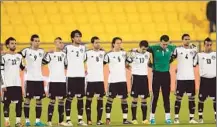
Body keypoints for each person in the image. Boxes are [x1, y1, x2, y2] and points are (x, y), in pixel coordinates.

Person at [19, 34, 47, 126]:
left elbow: (46, 60)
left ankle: (37, 121)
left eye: (38, 41)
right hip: (29, 79)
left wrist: (41, 65)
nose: (37, 42)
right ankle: (27, 121)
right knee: (27, 100)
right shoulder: (26, 50)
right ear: (31, 41)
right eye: (35, 41)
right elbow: (17, 56)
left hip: (39, 79)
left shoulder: (42, 51)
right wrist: (23, 67)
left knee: (39, 100)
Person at [148, 35, 176, 124]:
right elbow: (143, 49)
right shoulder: (153, 48)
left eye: (166, 44)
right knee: (155, 96)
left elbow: (179, 50)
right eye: (163, 44)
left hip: (166, 74)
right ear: (160, 42)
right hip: (156, 74)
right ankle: (152, 117)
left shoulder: (171, 47)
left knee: (166, 96)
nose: (165, 46)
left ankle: (167, 117)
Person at [104, 37, 132, 125]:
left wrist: (130, 67)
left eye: (120, 43)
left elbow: (127, 64)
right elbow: (101, 64)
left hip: (122, 81)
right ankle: (108, 118)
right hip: (113, 81)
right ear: (113, 44)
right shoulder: (108, 54)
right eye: (117, 43)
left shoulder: (124, 53)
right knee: (110, 99)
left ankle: (125, 120)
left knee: (124, 100)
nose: (119, 45)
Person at [172, 34, 198, 124]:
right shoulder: (177, 49)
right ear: (182, 40)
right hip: (181, 78)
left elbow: (195, 63)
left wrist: (196, 51)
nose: (187, 41)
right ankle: (176, 118)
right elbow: (170, 59)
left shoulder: (193, 50)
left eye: (188, 39)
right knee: (179, 98)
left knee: (192, 98)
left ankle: (191, 118)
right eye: (185, 39)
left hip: (191, 77)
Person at [42, 37, 68, 126]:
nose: (62, 44)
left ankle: (61, 121)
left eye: (62, 42)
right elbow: (42, 63)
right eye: (59, 42)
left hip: (62, 81)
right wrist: (46, 53)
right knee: (52, 101)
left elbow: (66, 66)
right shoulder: (50, 54)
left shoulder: (64, 55)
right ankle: (49, 121)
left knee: (61, 101)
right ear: (55, 43)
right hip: (53, 81)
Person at [63, 30, 87, 126]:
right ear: (72, 38)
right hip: (71, 76)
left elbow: (85, 59)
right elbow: (63, 59)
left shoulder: (83, 48)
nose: (79, 38)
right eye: (77, 36)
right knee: (69, 98)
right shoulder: (67, 48)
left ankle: (80, 120)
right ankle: (68, 120)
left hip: (81, 76)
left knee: (80, 98)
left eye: (80, 36)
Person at [1, 37, 25, 127]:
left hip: (17, 84)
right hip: (8, 84)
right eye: (12, 43)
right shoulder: (4, 57)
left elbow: (23, 68)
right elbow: (1, 71)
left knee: (19, 104)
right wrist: (3, 85)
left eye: (15, 43)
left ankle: (18, 122)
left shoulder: (19, 56)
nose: (14, 45)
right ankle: (7, 122)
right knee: (7, 104)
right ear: (7, 45)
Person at [127, 40, 151, 125]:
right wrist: (132, 69)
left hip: (144, 77)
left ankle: (144, 119)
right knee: (135, 98)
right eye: (143, 49)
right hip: (136, 77)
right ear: (140, 47)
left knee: (144, 99)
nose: (144, 51)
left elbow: (148, 63)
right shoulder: (133, 54)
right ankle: (134, 118)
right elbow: (127, 63)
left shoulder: (148, 54)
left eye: (146, 49)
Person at [85, 36, 105, 125]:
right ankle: (89, 120)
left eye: (99, 42)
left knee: (100, 99)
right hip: (90, 80)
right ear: (92, 43)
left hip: (100, 80)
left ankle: (99, 120)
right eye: (96, 42)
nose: (98, 44)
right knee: (89, 99)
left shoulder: (103, 53)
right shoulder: (87, 53)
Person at [197, 37, 216, 123]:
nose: (209, 46)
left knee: (215, 99)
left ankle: (216, 117)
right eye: (207, 45)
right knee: (201, 99)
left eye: (210, 45)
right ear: (204, 45)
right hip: (204, 80)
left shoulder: (215, 54)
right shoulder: (199, 55)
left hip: (214, 80)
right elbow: (191, 64)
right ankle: (200, 118)